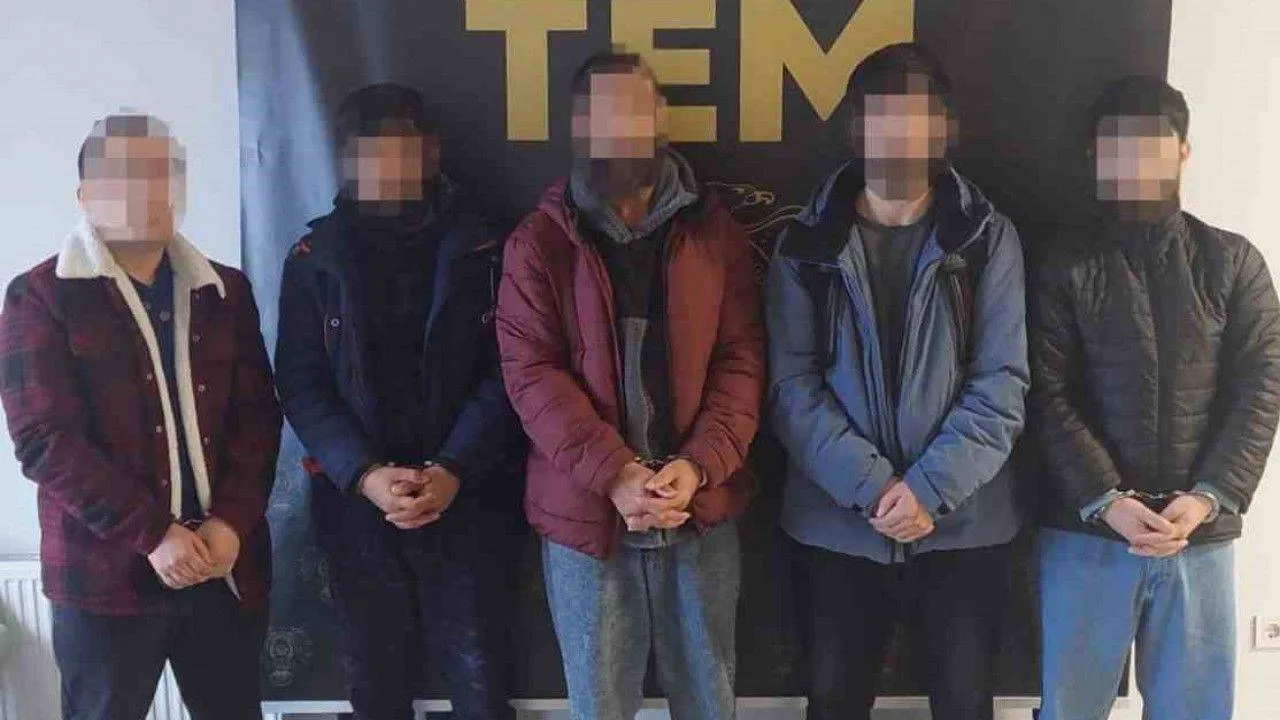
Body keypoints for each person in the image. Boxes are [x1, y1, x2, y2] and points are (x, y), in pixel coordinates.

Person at [495, 50, 765, 720]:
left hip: (699, 513)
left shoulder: (716, 234)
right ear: (578, 127)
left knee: (710, 704)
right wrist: (615, 474)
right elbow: (532, 375)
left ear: (662, 120)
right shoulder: (539, 241)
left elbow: (743, 362)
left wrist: (697, 467)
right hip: (588, 518)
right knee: (599, 708)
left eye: (635, 110)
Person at [767, 43, 1030, 720]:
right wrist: (875, 488)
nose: (899, 135)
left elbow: (1002, 383)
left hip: (964, 525)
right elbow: (792, 388)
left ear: (943, 129)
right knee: (833, 702)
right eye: (882, 118)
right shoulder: (804, 244)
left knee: (966, 704)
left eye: (915, 118)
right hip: (837, 526)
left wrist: (928, 489)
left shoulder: (987, 238)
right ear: (855, 129)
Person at [0, 113, 281, 720]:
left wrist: (230, 523)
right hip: (104, 576)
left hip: (222, 564)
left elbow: (259, 418)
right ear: (85, 195)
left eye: (159, 174)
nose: (144, 191)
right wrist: (154, 534)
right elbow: (44, 440)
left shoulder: (225, 291)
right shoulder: (40, 295)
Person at [1031, 76, 1280, 720]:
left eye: (1151, 143)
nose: (1134, 159)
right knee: (1070, 711)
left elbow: (1261, 388)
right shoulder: (1060, 264)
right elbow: (1044, 393)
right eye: (1116, 144)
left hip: (1200, 536)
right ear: (1095, 155)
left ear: (1183, 151)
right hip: (1085, 532)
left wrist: (1206, 498)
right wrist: (1106, 500)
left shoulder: (1234, 262)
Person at [274, 83, 522, 720]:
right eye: (369, 150)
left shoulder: (486, 247)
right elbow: (300, 381)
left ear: (430, 152)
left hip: (467, 496)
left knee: (481, 684)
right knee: (375, 688)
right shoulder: (313, 259)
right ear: (346, 160)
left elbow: (511, 371)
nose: (387, 164)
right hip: (358, 504)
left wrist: (453, 469)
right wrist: (364, 475)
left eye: (400, 147)